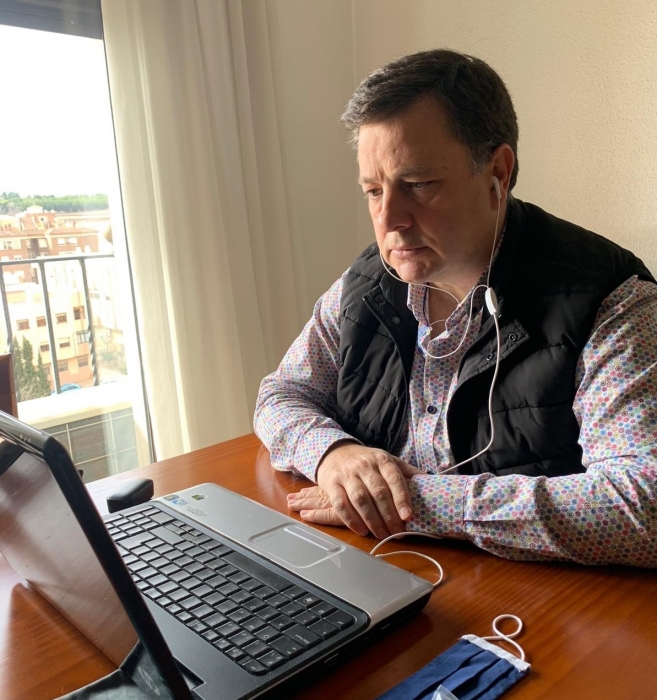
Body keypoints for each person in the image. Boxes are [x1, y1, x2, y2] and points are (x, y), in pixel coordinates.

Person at [254, 49, 657, 567]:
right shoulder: (367, 283)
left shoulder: (612, 302)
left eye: (419, 185)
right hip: (375, 566)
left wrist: (415, 503)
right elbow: (281, 394)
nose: (389, 219)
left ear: (498, 174)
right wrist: (334, 455)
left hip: (536, 599)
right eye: (373, 191)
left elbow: (644, 504)